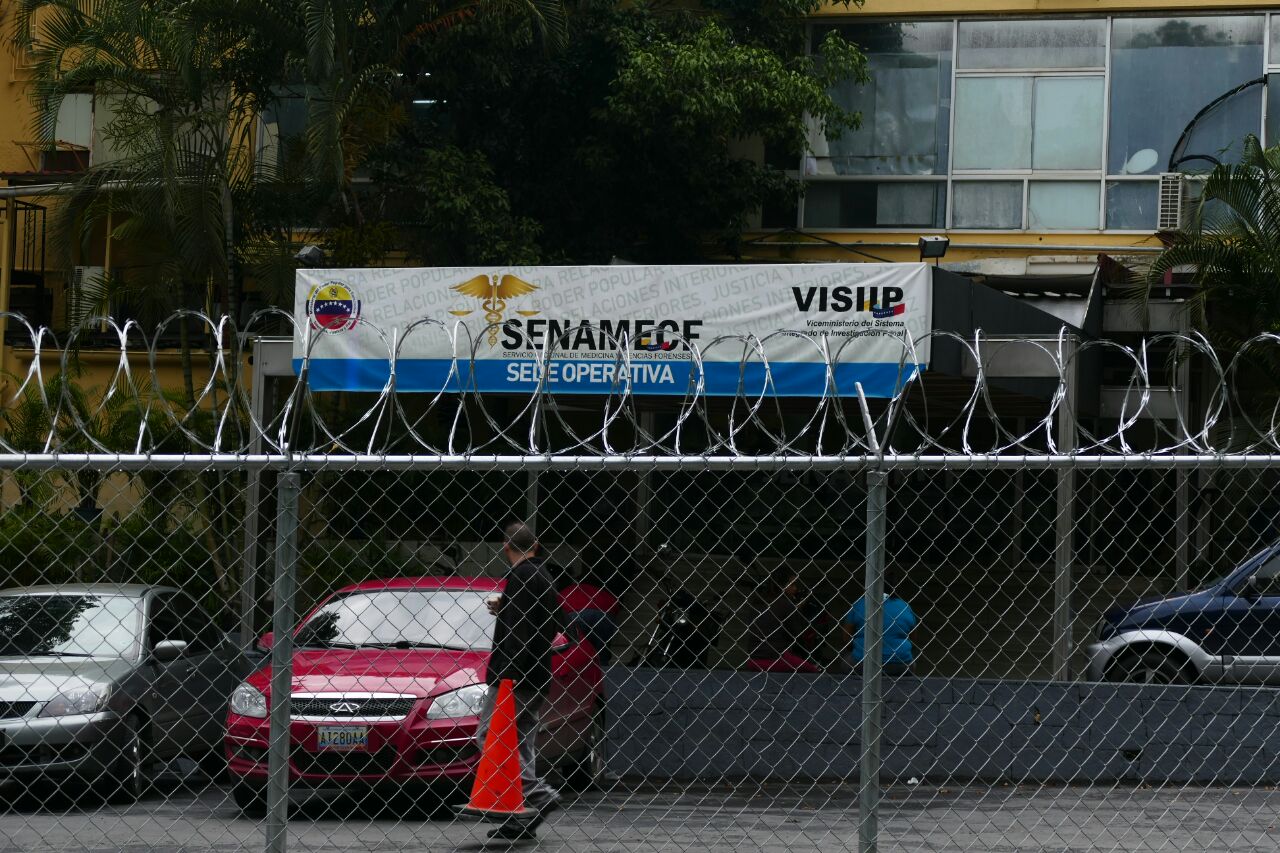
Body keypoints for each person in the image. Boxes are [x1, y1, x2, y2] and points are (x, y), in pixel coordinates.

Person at [477, 521, 561, 841]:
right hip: (539, 673)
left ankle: (538, 796)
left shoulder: (522, 576)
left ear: (504, 546)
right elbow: (549, 622)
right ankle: (521, 816)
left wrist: (506, 674)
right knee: (521, 742)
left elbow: (519, 633)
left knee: (491, 738)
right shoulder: (544, 576)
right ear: (535, 546)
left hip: (516, 676)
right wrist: (507, 606)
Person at [745, 567, 821, 673]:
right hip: (776, 658)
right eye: (792, 584)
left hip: (753, 659)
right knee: (814, 670)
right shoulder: (785, 604)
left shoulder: (758, 602)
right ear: (781, 585)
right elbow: (798, 634)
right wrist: (797, 611)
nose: (795, 589)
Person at [556, 548, 622, 665]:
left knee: (575, 648)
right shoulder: (602, 592)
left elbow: (557, 610)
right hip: (604, 615)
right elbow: (615, 607)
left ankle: (575, 667)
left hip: (575, 615)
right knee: (602, 649)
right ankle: (602, 668)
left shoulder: (568, 590)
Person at [844, 571, 917, 676]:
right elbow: (913, 638)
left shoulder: (860, 604)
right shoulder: (905, 607)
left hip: (863, 662)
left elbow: (846, 637)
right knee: (912, 661)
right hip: (901, 664)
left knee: (846, 659)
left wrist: (855, 648)